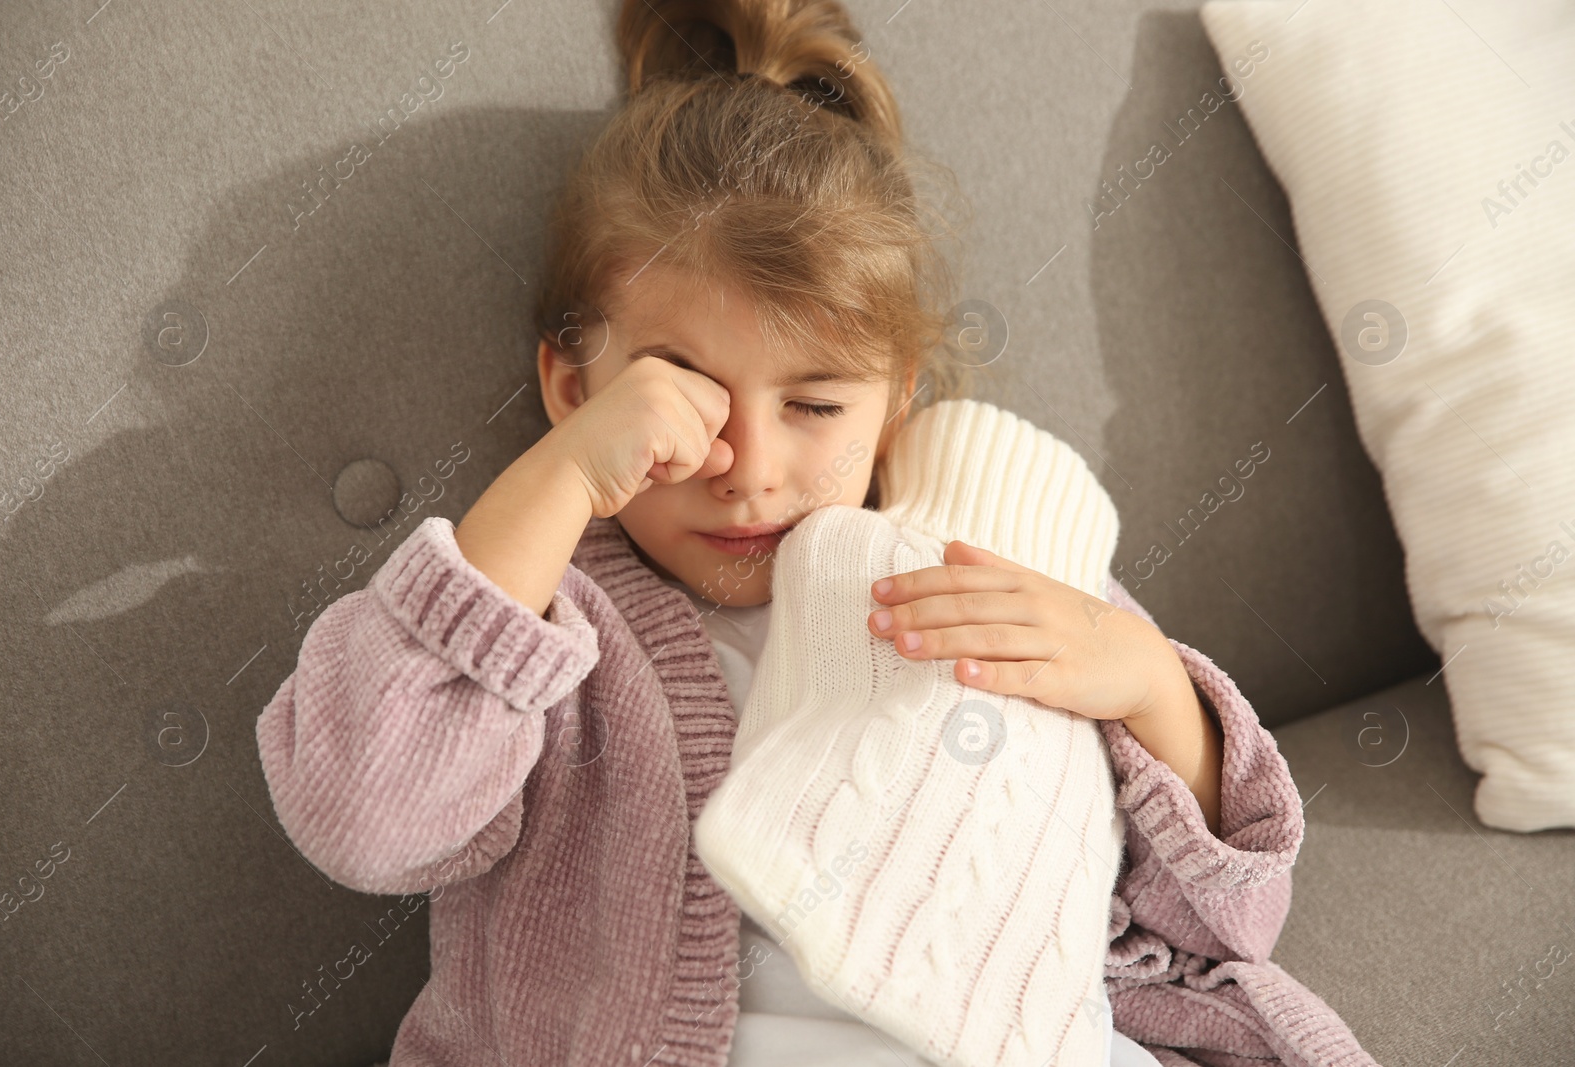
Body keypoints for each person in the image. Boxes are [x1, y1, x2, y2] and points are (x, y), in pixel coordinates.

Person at [255, 1, 1379, 1064]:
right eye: (680, 390)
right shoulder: (549, 621)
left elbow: (1225, 924)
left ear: (896, 401)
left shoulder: (979, 549)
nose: (747, 468)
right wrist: (554, 482)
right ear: (570, 386)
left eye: (814, 405)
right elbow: (364, 818)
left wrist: (1149, 689)